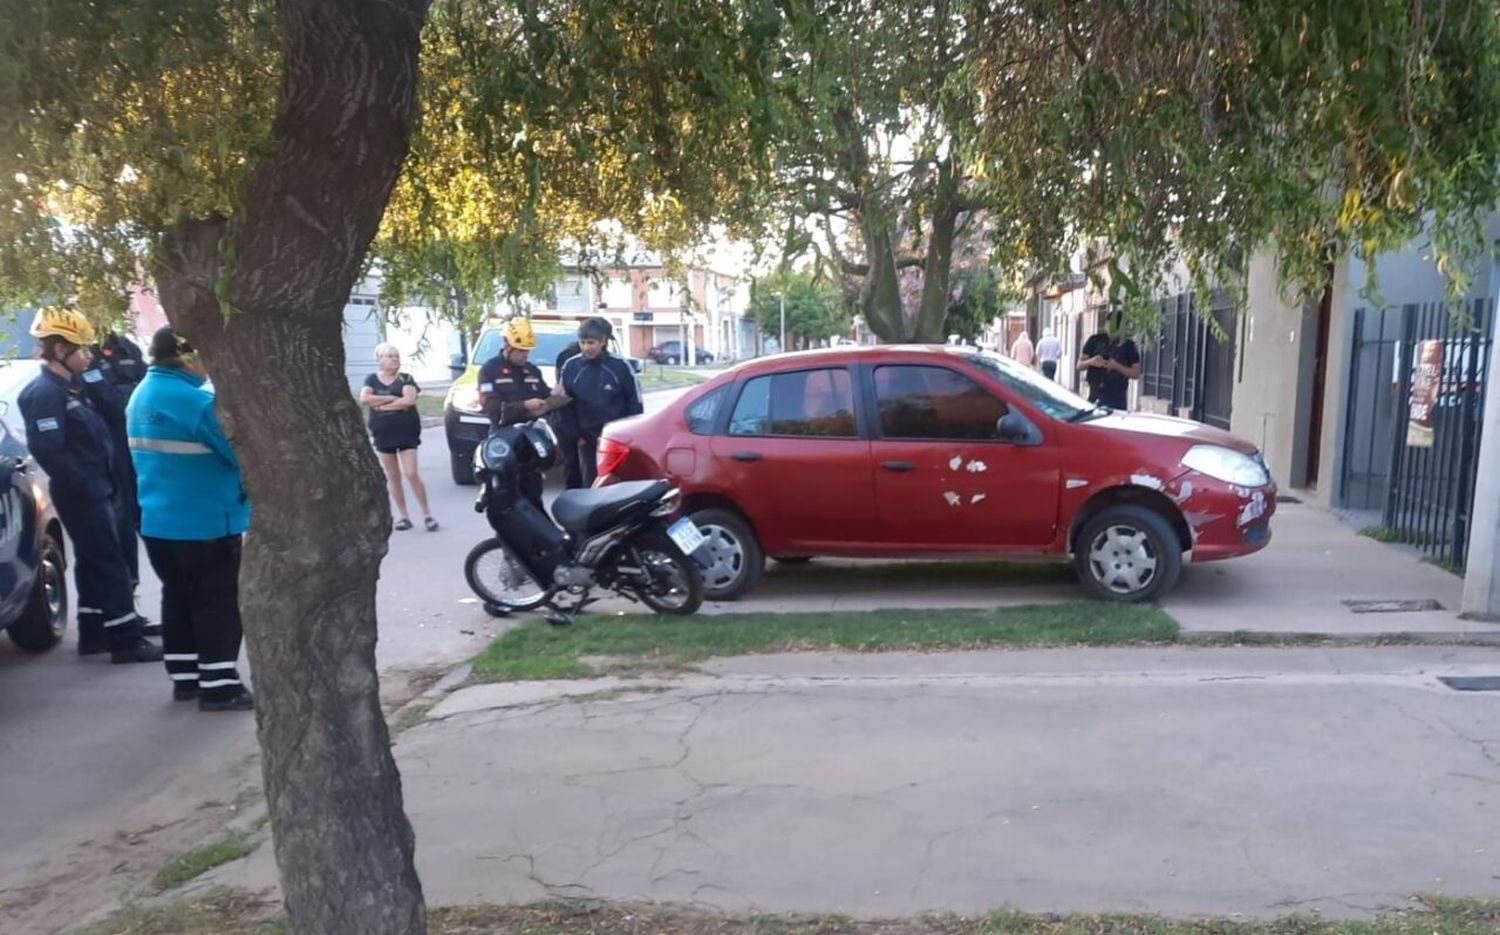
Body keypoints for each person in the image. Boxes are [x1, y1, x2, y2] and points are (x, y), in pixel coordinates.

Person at [17, 308, 159, 663]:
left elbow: (112, 413)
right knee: (108, 560)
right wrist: (86, 487)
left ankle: (94, 632)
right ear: (59, 350)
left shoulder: (73, 386)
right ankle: (126, 639)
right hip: (83, 492)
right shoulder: (44, 393)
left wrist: (93, 375)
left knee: (97, 560)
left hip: (100, 485)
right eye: (81, 350)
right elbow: (50, 450)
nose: (87, 356)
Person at [126, 328, 254, 710]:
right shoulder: (196, 402)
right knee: (217, 603)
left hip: (159, 522)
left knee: (178, 597)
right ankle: (219, 685)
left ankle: (185, 678)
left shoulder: (140, 395)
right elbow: (239, 454)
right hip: (207, 522)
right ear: (188, 357)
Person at [83, 330, 149, 603]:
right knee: (119, 529)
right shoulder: (88, 361)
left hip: (135, 447)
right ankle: (123, 603)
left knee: (142, 522)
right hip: (110, 456)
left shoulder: (128, 348)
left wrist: (123, 392)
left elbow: (144, 387)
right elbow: (111, 403)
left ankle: (129, 604)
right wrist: (126, 392)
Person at [361, 344, 436, 532]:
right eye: (389, 356)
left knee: (411, 473)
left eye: (396, 355)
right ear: (379, 360)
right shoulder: (371, 379)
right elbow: (365, 399)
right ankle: (404, 516)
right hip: (383, 432)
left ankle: (427, 514)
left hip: (406, 432)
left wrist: (382, 405)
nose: (394, 359)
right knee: (393, 476)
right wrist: (394, 399)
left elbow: (408, 400)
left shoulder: (406, 378)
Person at [559, 317, 642, 486]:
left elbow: (635, 404)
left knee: (615, 484)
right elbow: (564, 405)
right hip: (586, 439)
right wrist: (575, 435)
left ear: (603, 341)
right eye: (582, 343)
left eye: (591, 343)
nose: (586, 348)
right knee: (590, 484)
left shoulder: (621, 367)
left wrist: (632, 435)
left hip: (615, 439)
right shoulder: (571, 367)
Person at [477, 318, 551, 506]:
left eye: (528, 350)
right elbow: (492, 409)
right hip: (503, 441)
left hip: (529, 441)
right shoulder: (489, 370)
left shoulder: (532, 370)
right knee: (505, 499)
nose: (525, 355)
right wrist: (525, 405)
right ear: (507, 346)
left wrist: (553, 398)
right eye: (521, 350)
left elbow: (545, 398)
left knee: (533, 497)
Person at [1078, 313, 1142, 411]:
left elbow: (1136, 373)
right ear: (1106, 324)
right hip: (1095, 395)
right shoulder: (1094, 340)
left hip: (1117, 398)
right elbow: (1079, 366)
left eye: (1115, 328)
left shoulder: (1128, 345)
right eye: (1110, 326)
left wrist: (1117, 367)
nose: (1112, 330)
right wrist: (1091, 361)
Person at [552, 337, 585, 489]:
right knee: (574, 471)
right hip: (570, 427)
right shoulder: (569, 358)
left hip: (588, 429)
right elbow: (563, 397)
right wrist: (576, 435)